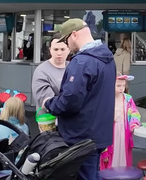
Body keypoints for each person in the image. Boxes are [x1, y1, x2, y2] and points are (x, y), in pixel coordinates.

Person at [42, 18, 116, 180]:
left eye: (66, 40)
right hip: (99, 134)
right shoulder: (107, 58)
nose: (67, 45)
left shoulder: (82, 61)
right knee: (93, 175)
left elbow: (70, 101)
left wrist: (49, 104)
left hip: (80, 136)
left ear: (74, 34)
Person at [100, 75, 141, 170]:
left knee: (123, 156)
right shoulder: (105, 99)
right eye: (118, 85)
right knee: (111, 156)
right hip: (110, 132)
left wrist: (134, 124)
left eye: (123, 86)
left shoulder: (128, 99)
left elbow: (134, 113)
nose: (121, 88)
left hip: (124, 131)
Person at [32, 33, 69, 115]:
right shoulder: (41, 71)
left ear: (68, 50)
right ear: (50, 50)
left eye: (62, 49)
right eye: (56, 49)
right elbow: (47, 102)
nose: (59, 53)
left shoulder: (73, 67)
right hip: (49, 122)